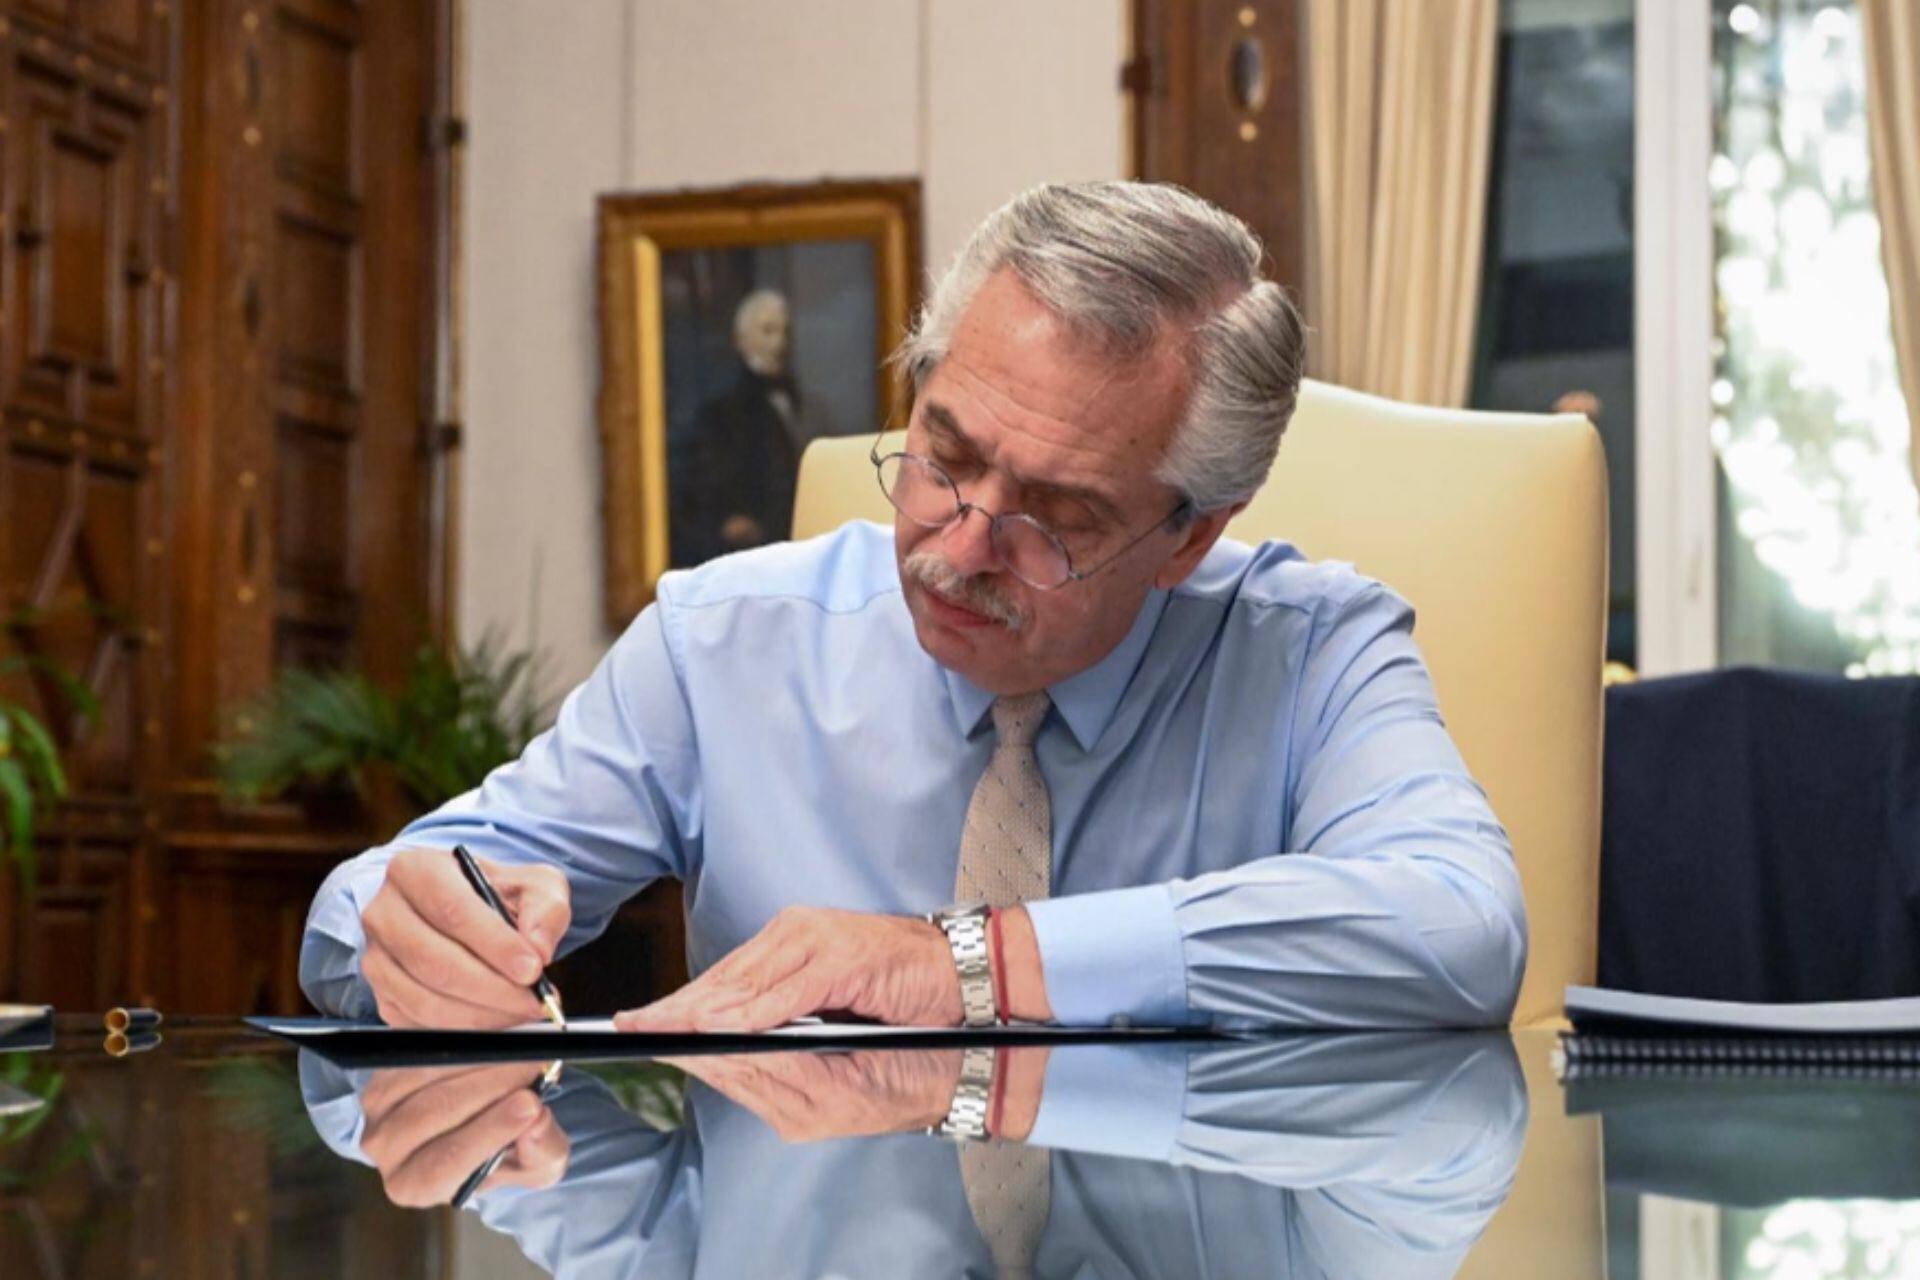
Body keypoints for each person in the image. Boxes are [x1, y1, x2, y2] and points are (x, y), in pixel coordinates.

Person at [300, 180, 1526, 1035]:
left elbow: (1461, 928)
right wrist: (421, 933)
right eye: (943, 453)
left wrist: (967, 965)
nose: (963, 544)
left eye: (1059, 514)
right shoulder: (722, 643)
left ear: (1190, 533)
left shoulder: (1312, 649)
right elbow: (370, 905)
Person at [673, 289, 819, 563]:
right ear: (741, 340)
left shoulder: (803, 405)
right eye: (767, 331)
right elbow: (700, 502)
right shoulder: (719, 417)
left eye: (785, 332)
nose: (779, 343)